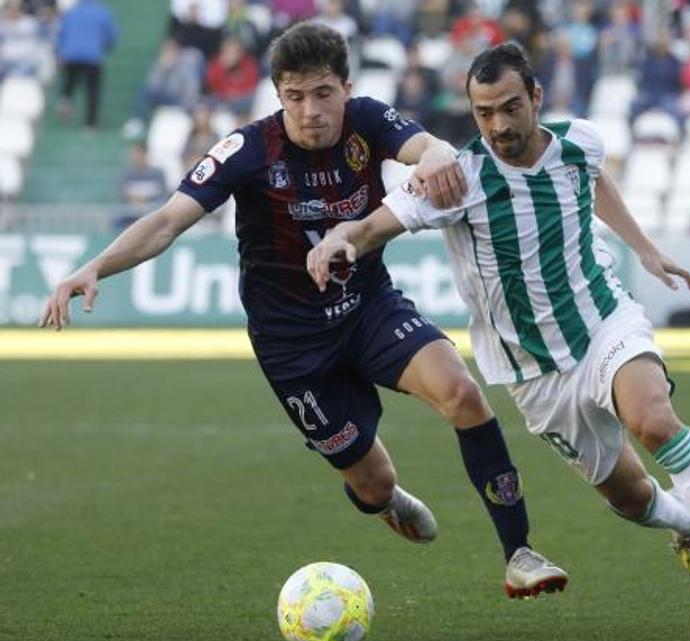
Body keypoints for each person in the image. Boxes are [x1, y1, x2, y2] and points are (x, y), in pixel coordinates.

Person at [40, 23, 567, 600]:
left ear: (346, 86)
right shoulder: (247, 151)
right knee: (372, 484)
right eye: (295, 97)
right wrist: (95, 266)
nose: (311, 110)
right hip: (292, 346)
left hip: (368, 308)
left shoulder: (367, 120)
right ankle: (384, 499)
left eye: (322, 94)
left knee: (462, 393)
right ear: (278, 95)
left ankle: (519, 552)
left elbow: (425, 147)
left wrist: (438, 152)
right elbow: (167, 221)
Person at [308, 42, 690, 624]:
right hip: (533, 372)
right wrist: (340, 240)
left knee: (654, 419)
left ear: (536, 97)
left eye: (510, 108)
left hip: (604, 322)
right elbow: (373, 226)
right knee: (630, 498)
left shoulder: (580, 139)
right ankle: (689, 526)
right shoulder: (454, 179)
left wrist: (647, 251)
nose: (499, 126)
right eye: (484, 113)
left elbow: (596, 180)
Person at [55, 0, 117, 131]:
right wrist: (104, 46)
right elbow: (111, 36)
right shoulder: (103, 13)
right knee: (92, 91)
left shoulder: (71, 12)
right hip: (92, 55)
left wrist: (61, 51)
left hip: (71, 53)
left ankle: (66, 100)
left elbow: (61, 33)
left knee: (70, 81)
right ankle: (90, 124)